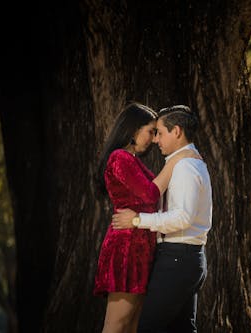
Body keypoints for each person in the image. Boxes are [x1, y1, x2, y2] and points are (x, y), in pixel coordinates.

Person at [94, 102, 198, 333]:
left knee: (132, 325)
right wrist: (176, 161)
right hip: (126, 248)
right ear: (133, 130)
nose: (153, 139)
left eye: (156, 133)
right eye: (151, 131)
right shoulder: (119, 158)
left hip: (142, 247)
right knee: (116, 324)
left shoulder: (133, 161)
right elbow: (151, 194)